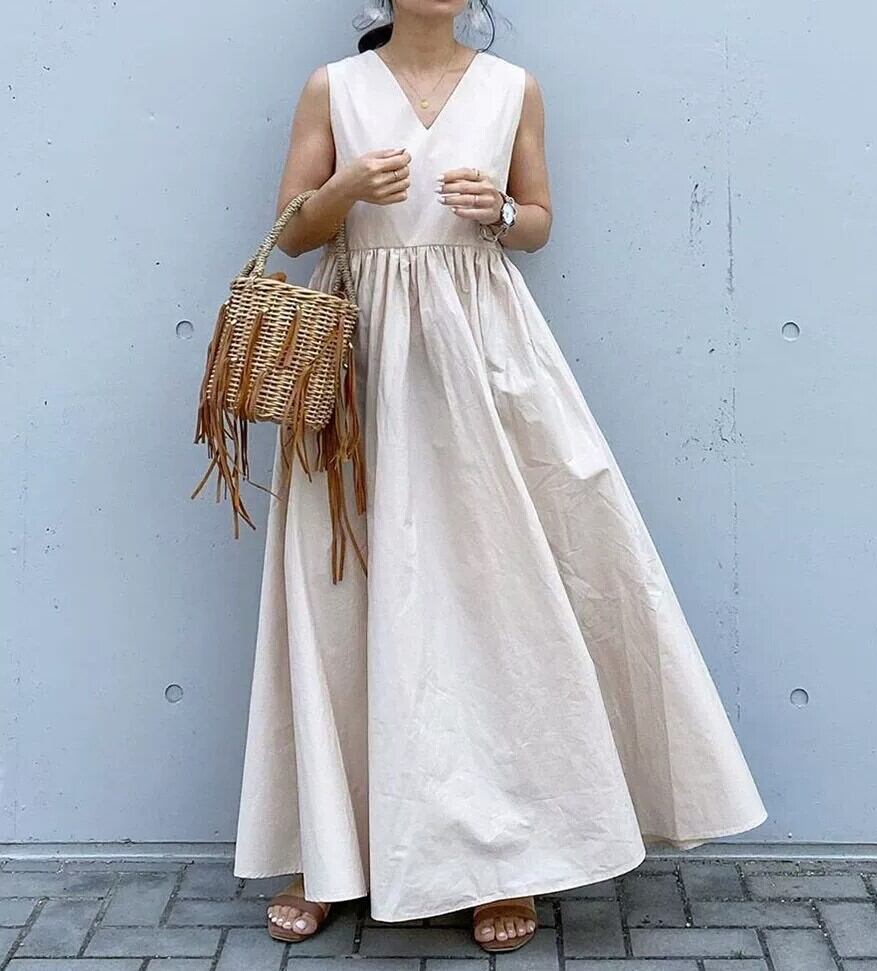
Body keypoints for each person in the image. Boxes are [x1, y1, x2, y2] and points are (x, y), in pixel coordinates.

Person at [231, 0, 767, 955]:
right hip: (359, 362)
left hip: (482, 354)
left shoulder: (513, 87)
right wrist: (346, 186)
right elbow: (296, 231)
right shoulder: (333, 87)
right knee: (340, 592)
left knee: (496, 598)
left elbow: (540, 222)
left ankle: (502, 855)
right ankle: (325, 853)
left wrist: (505, 213)